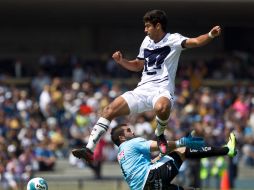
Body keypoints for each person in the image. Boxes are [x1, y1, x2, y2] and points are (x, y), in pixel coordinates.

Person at [72, 9, 221, 162]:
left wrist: (210, 35)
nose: (145, 29)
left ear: (158, 26)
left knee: (161, 108)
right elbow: (138, 65)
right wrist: (122, 61)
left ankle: (160, 134)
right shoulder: (146, 41)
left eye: (148, 26)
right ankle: (89, 148)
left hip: (162, 89)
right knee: (109, 110)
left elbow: (196, 41)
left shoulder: (173, 39)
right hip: (142, 89)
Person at [110, 124, 237, 190]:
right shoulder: (132, 142)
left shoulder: (121, 155)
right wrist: (182, 142)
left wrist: (161, 155)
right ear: (122, 137)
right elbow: (161, 145)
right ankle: (226, 150)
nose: (132, 132)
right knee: (181, 150)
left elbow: (151, 162)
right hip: (151, 178)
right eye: (128, 130)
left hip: (144, 187)